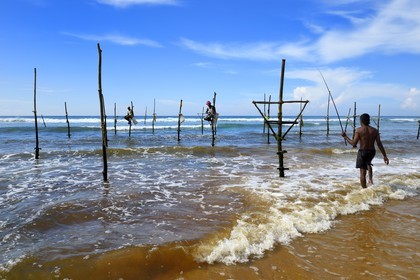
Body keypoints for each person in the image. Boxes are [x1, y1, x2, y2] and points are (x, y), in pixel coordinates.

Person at [342, 113, 389, 188]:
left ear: (361, 121)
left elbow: (354, 143)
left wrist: (345, 137)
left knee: (362, 173)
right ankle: (370, 179)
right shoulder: (375, 131)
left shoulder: (358, 130)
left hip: (362, 152)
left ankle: (364, 190)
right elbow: (379, 144)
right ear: (368, 120)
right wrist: (385, 156)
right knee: (368, 163)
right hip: (372, 152)